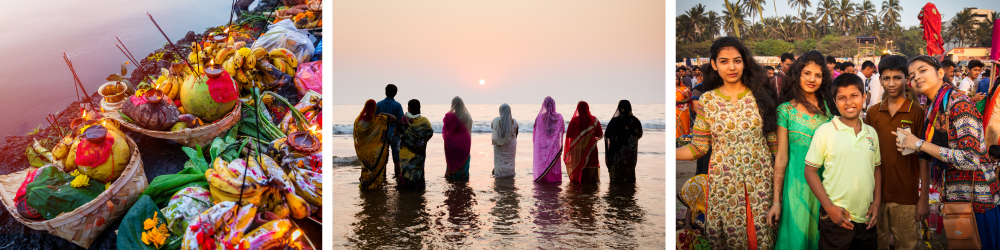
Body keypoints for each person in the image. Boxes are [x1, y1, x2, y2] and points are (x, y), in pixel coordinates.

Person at [676, 37, 779, 249]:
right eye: (724, 61)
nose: (731, 67)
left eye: (737, 61)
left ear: (745, 62)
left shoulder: (761, 96)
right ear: (714, 64)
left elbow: (775, 147)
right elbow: (699, 147)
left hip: (762, 184)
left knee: (763, 240)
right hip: (724, 187)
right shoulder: (707, 101)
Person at [894, 56, 1000, 250]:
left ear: (940, 73)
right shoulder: (934, 107)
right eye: (912, 75)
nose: (916, 77)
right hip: (957, 197)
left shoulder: (959, 104)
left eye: (922, 70)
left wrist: (919, 144)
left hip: (977, 201)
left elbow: (970, 159)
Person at [767, 50, 838, 250]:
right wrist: (776, 202)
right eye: (807, 73)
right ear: (797, 74)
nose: (812, 79)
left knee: (822, 238)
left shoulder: (830, 109)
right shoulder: (785, 111)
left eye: (818, 75)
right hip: (796, 188)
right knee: (797, 239)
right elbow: (781, 157)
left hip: (827, 186)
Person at [804, 73, 882, 250]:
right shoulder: (825, 132)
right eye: (842, 98)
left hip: (867, 218)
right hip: (836, 219)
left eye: (854, 96)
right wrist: (829, 208)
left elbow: (876, 169)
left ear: (863, 97)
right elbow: (810, 171)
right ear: (834, 101)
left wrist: (877, 202)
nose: (849, 102)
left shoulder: (871, 133)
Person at [862, 55, 929, 250]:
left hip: (906, 196)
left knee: (906, 245)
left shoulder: (917, 113)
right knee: (877, 243)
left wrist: (923, 198)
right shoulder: (873, 113)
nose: (891, 83)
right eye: (886, 78)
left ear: (906, 79)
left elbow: (924, 161)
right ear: (880, 80)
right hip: (876, 196)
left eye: (897, 78)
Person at [355, 99, 398, 189]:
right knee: (378, 168)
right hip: (377, 151)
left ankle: (366, 184)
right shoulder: (379, 119)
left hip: (365, 151)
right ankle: (376, 185)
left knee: (366, 168)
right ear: (375, 108)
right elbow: (394, 118)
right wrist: (383, 113)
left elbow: (358, 135)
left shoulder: (358, 121)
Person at [398, 99, 434, 190]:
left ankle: (406, 188)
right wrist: (420, 142)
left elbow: (396, 132)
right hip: (419, 153)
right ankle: (418, 187)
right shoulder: (425, 121)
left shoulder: (403, 120)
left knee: (406, 171)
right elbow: (429, 133)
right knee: (418, 170)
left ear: (409, 108)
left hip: (406, 153)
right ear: (419, 108)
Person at [605, 100, 643, 183]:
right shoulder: (635, 121)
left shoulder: (614, 121)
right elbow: (639, 134)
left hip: (616, 152)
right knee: (629, 174)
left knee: (616, 178)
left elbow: (607, 135)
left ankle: (616, 188)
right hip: (630, 153)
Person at [564, 101, 603, 183]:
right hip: (591, 150)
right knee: (591, 178)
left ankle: (579, 189)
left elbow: (569, 135)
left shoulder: (574, 121)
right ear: (588, 108)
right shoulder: (595, 120)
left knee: (579, 175)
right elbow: (600, 134)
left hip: (577, 151)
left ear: (578, 109)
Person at [376, 84, 405, 180]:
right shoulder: (398, 105)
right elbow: (401, 120)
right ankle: (397, 178)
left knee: (383, 158)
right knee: (396, 158)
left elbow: (375, 120)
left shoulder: (379, 105)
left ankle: (383, 178)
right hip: (395, 134)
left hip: (382, 135)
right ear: (395, 93)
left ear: (385, 92)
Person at [533, 97, 566, 182]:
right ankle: (554, 184)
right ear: (554, 105)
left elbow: (537, 132)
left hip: (542, 148)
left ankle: (542, 183)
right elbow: (562, 130)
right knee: (553, 169)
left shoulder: (539, 117)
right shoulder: (559, 117)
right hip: (554, 149)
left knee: (543, 169)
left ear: (544, 106)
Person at [443, 96, 473, 181]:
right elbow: (469, 129)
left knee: (453, 162)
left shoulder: (450, 117)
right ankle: (463, 178)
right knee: (464, 161)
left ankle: (452, 179)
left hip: (452, 145)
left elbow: (447, 132)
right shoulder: (468, 116)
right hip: (465, 143)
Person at [491, 103, 518, 177]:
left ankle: (499, 173)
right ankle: (510, 173)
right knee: (510, 160)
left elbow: (492, 128)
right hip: (510, 145)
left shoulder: (496, 121)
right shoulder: (514, 122)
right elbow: (516, 133)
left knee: (499, 160)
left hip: (499, 145)